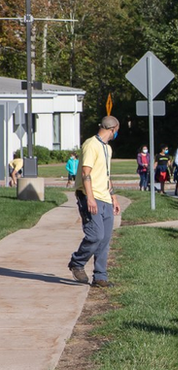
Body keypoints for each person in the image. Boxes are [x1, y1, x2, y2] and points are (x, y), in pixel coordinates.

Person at [67, 116, 122, 287]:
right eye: (117, 130)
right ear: (113, 129)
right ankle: (77, 262)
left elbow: (105, 174)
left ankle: (100, 277)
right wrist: (90, 197)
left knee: (104, 239)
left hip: (105, 197)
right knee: (95, 235)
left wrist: (113, 196)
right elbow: (85, 173)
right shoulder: (91, 145)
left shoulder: (107, 148)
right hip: (91, 197)